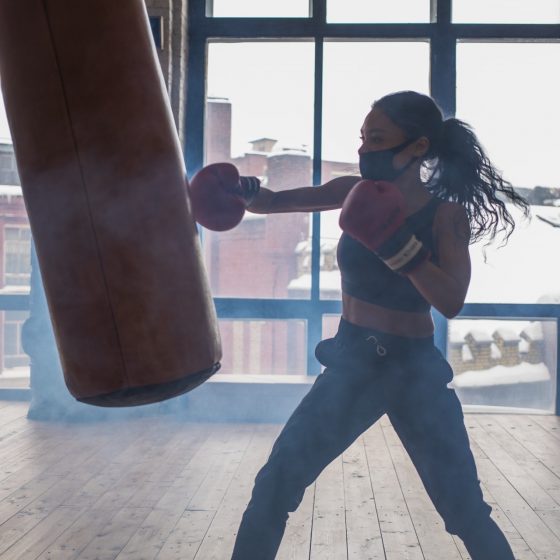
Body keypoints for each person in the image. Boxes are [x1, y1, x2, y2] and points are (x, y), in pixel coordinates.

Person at [222, 90, 529, 559]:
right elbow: (274, 202)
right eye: (363, 138)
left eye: (378, 139)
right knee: (273, 488)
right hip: (354, 364)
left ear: (418, 147)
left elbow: (451, 300)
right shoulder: (352, 192)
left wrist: (399, 248)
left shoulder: (445, 215)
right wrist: (241, 192)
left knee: (465, 511)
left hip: (414, 371)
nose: (365, 149)